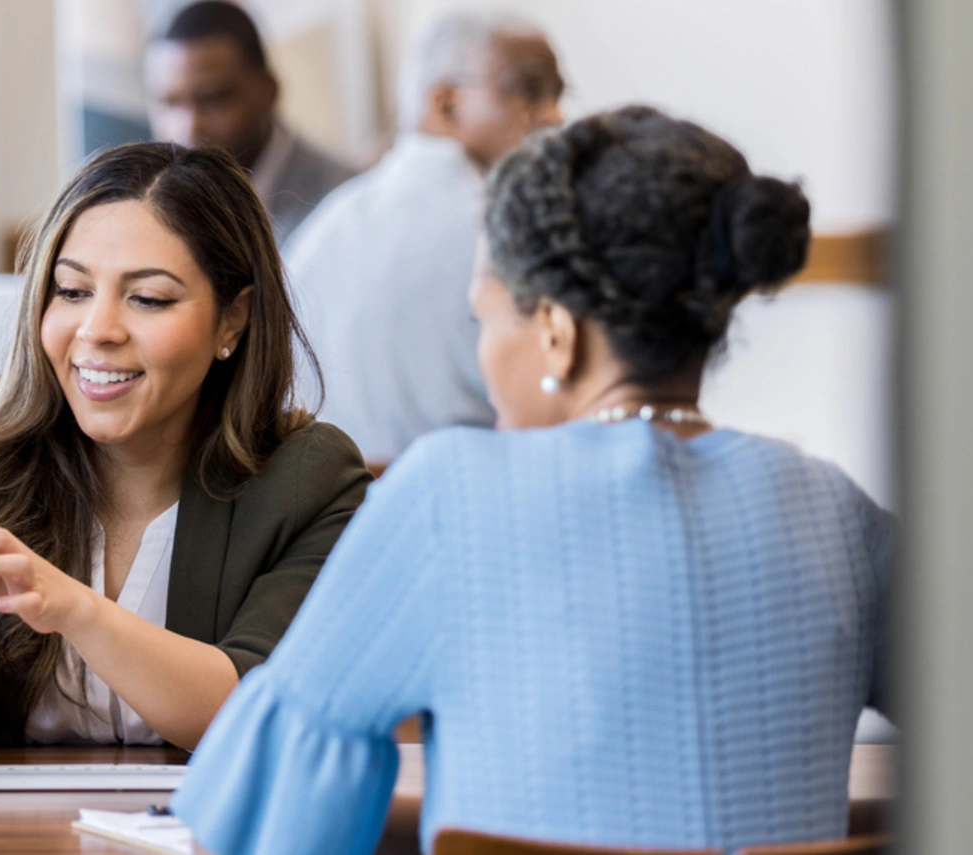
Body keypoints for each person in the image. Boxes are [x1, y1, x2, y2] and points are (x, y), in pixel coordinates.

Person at [173, 106, 893, 854]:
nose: (483, 362)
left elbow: (269, 817)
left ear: (557, 331)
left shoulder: (452, 494)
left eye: (483, 321)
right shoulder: (834, 509)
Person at [0, 141, 370, 756]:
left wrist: (76, 609)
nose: (98, 330)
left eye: (148, 298)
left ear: (233, 318)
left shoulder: (310, 478)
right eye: (71, 291)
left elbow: (262, 712)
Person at [286, 10, 564, 465]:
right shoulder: (507, 230)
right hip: (477, 513)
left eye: (558, 95)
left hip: (328, 523)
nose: (555, 117)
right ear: (445, 103)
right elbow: (563, 416)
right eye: (529, 91)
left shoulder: (325, 227)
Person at [145, 1, 356, 244]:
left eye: (213, 99)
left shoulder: (343, 206)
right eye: (169, 103)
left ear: (269, 91)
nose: (189, 126)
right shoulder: (148, 203)